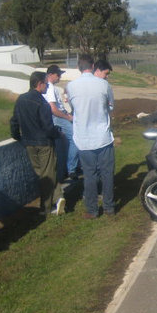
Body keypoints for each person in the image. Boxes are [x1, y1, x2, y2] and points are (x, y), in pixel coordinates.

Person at [10, 71, 65, 216]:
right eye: (46, 84)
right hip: (44, 143)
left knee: (42, 174)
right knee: (48, 174)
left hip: (28, 143)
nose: (47, 87)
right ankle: (46, 207)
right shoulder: (42, 103)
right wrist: (57, 134)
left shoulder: (20, 100)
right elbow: (48, 127)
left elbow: (14, 121)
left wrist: (17, 137)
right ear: (39, 84)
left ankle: (59, 196)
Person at [67, 54, 115, 218]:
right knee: (107, 174)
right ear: (93, 66)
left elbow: (74, 109)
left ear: (79, 68)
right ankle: (109, 207)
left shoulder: (71, 86)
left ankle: (92, 210)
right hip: (102, 136)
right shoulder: (104, 84)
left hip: (83, 138)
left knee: (89, 175)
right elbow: (110, 106)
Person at [43, 65, 79, 181]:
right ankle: (71, 169)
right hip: (57, 117)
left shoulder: (52, 87)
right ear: (50, 75)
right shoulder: (49, 88)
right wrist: (67, 117)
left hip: (61, 116)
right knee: (75, 138)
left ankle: (71, 167)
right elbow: (53, 109)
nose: (59, 77)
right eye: (58, 75)